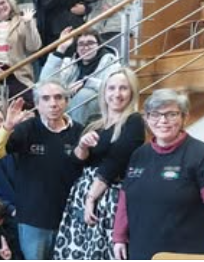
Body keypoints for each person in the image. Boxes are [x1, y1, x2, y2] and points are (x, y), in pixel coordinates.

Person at [113, 89, 204, 260]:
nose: (163, 120)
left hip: (187, 254)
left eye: (171, 114)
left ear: (184, 117)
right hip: (142, 250)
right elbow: (125, 198)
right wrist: (119, 237)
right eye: (155, 114)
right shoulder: (139, 154)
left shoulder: (201, 153)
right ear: (146, 119)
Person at [53, 68, 145, 260]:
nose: (117, 94)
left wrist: (91, 198)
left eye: (123, 88)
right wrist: (82, 146)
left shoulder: (134, 121)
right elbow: (76, 162)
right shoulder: (95, 123)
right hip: (83, 194)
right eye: (111, 88)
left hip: (109, 197)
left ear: (132, 92)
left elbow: (115, 162)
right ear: (104, 91)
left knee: (101, 252)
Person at [0, 80, 83, 260]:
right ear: (37, 104)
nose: (53, 103)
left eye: (58, 97)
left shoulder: (79, 131)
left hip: (69, 218)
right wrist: (7, 126)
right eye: (46, 98)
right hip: (34, 220)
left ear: (66, 101)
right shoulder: (27, 129)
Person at [41, 28, 120, 125]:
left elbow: (112, 87)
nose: (85, 47)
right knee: (47, 95)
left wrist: (85, 83)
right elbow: (45, 82)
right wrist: (61, 49)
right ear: (76, 48)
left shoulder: (110, 62)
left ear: (99, 45)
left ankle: (75, 131)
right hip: (72, 106)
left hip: (100, 105)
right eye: (81, 44)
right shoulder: (72, 62)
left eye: (90, 43)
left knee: (83, 95)